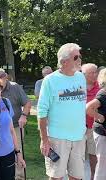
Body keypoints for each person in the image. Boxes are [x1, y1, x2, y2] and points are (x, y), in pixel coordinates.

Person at [37, 43, 86, 180]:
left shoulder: (81, 77)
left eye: (80, 56)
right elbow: (41, 112)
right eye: (76, 57)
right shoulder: (50, 80)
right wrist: (44, 140)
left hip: (79, 137)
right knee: (56, 177)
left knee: (77, 176)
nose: (80, 59)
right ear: (64, 62)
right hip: (57, 139)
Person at [0, 68, 31, 180]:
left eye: (0, 80)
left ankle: (19, 176)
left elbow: (27, 103)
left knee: (17, 151)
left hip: (16, 125)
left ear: (5, 78)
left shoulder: (15, 87)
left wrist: (24, 116)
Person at [86, 68, 106, 180]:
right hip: (102, 133)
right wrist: (99, 117)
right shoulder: (103, 93)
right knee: (102, 163)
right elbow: (88, 108)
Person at [82, 63, 99, 180]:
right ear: (83, 75)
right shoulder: (78, 87)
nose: (95, 75)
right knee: (78, 155)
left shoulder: (101, 87)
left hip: (94, 126)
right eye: (91, 73)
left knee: (93, 154)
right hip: (79, 126)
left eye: (95, 72)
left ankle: (93, 176)